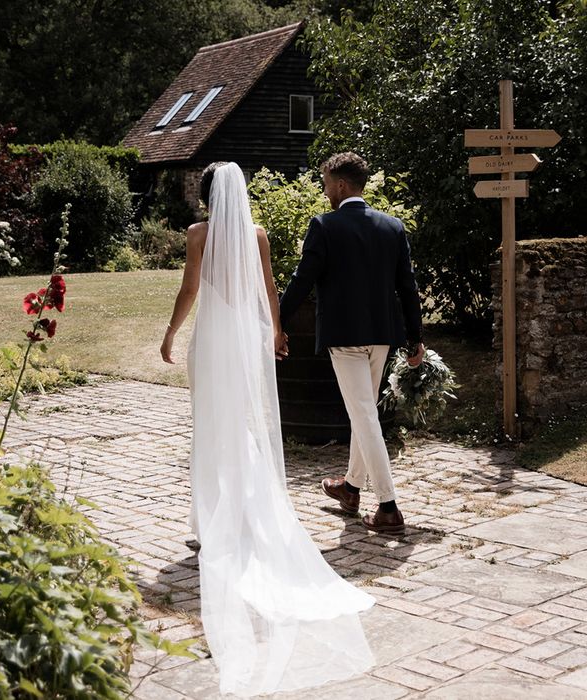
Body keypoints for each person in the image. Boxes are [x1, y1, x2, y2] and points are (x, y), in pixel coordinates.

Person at [160, 162, 375, 697]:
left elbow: (190, 289)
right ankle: (242, 510)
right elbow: (270, 287)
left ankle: (216, 513)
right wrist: (276, 332)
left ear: (207, 196)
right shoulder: (256, 235)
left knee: (212, 423)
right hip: (248, 337)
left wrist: (169, 333)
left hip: (212, 337)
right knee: (246, 425)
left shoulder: (197, 234)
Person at [279, 152, 425, 536]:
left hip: (344, 338)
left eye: (326, 182)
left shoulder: (324, 226)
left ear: (341, 185)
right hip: (382, 336)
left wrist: (275, 319)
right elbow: (407, 287)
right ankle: (351, 488)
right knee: (365, 413)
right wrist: (416, 337)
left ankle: (389, 507)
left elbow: (302, 280)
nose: (324, 189)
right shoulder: (391, 227)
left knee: (363, 415)